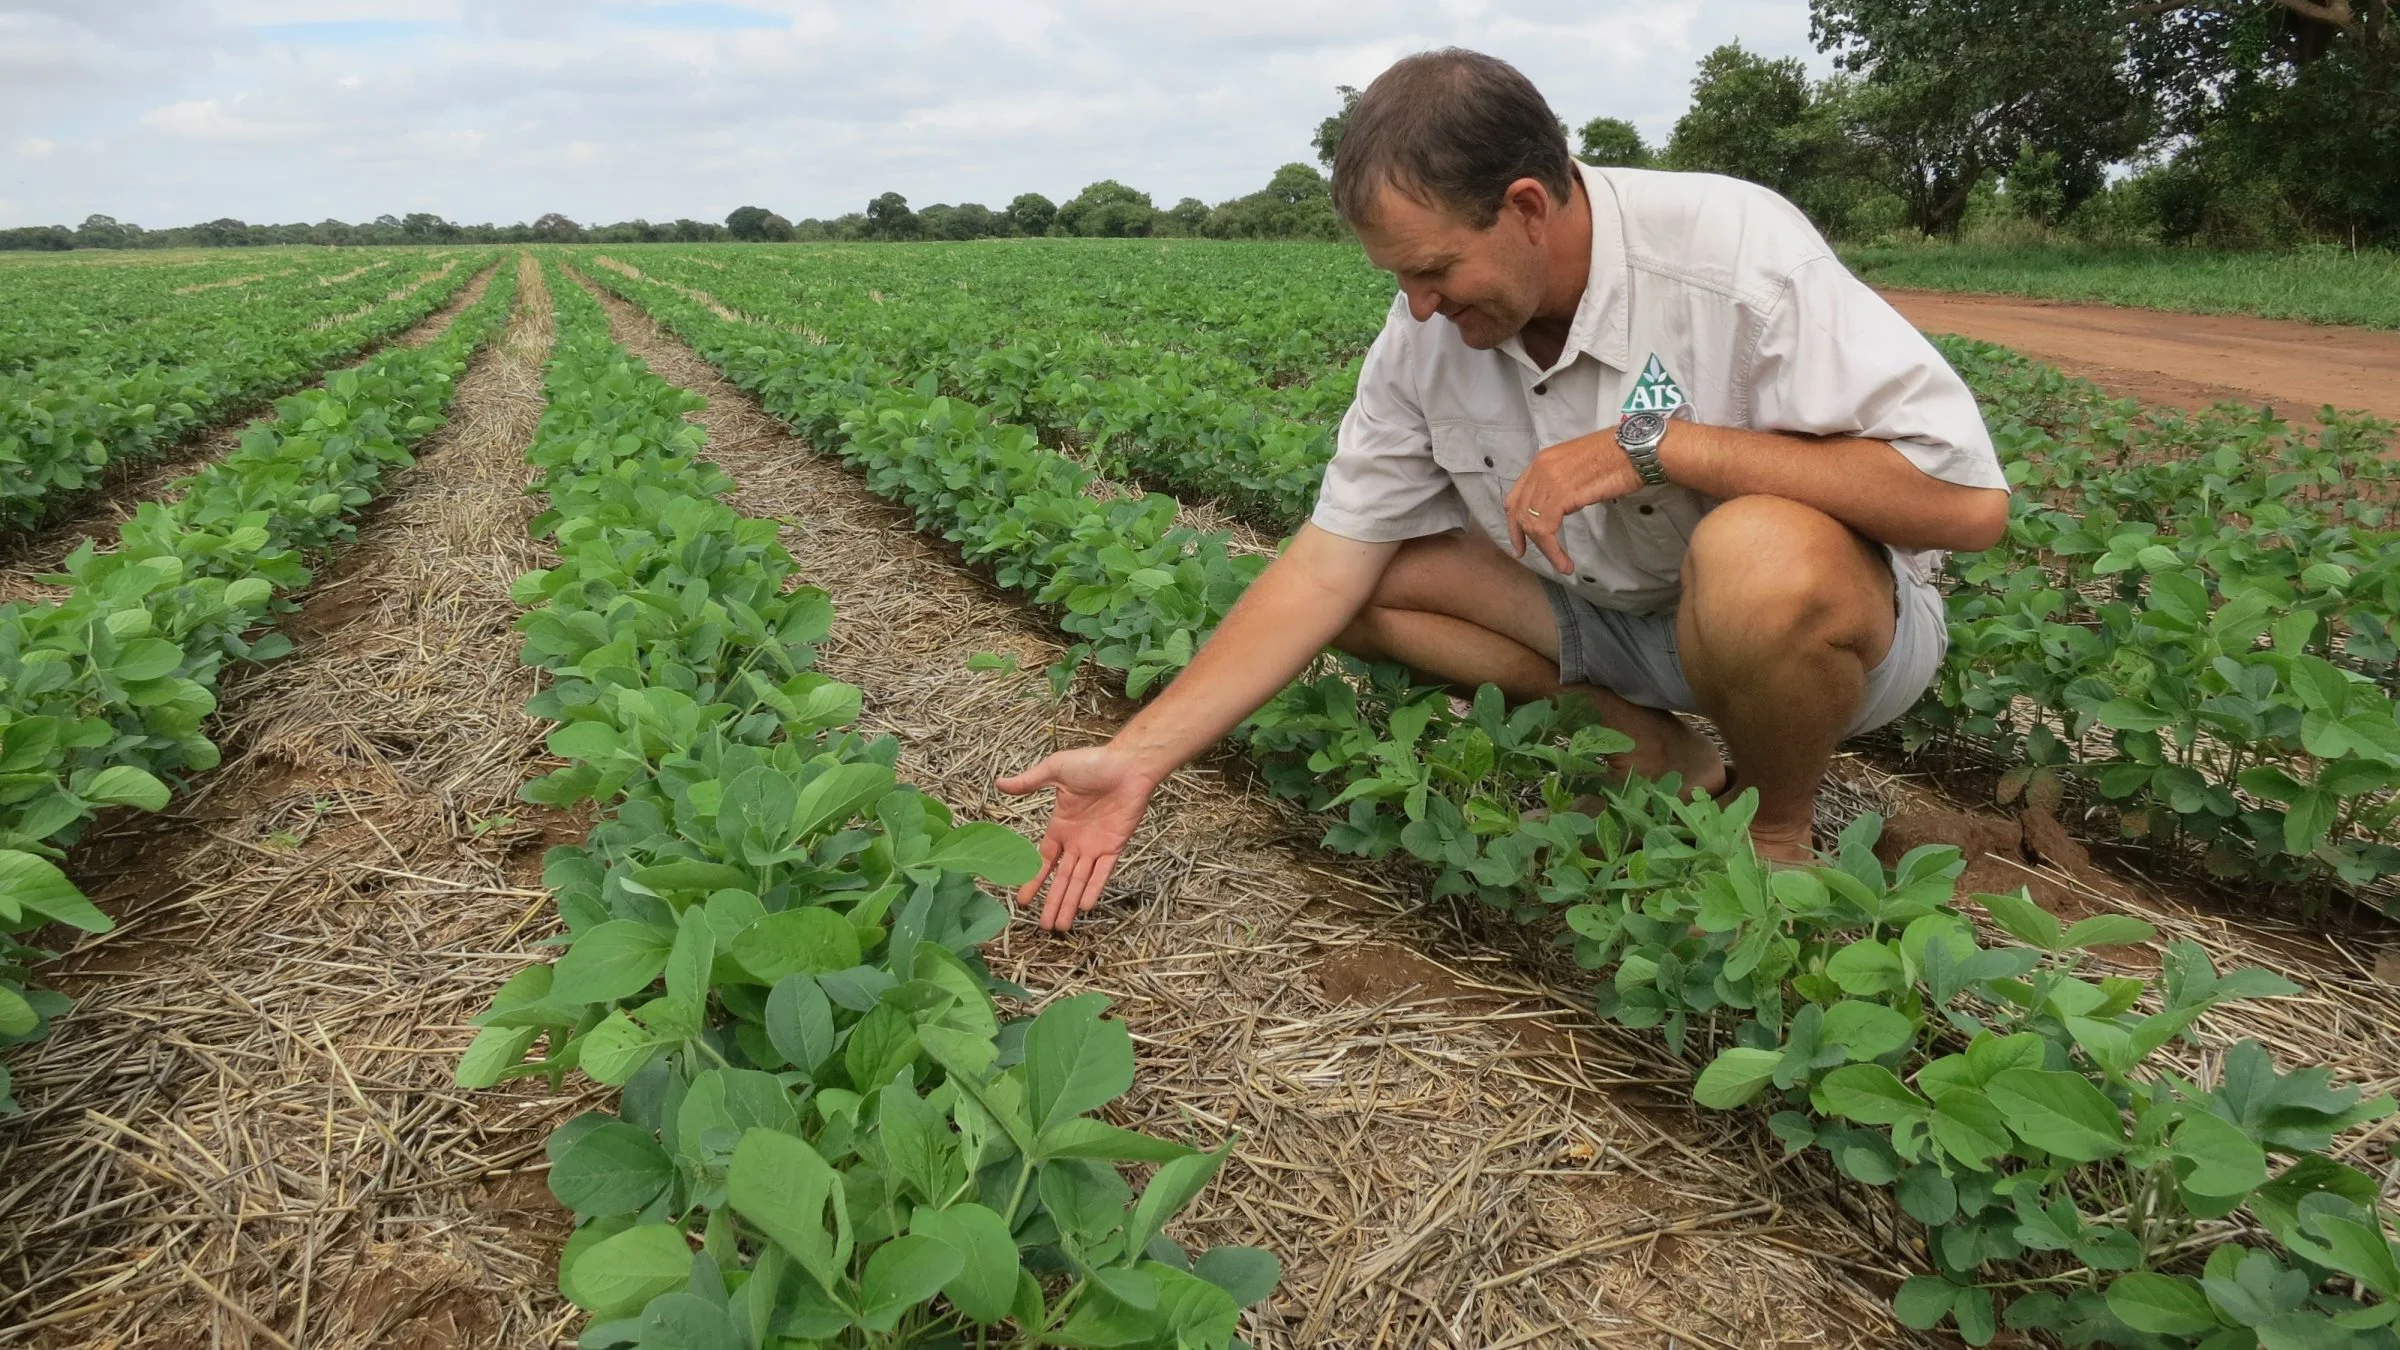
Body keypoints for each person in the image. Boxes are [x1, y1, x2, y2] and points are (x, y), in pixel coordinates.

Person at [997, 48, 2010, 932]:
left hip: (1811, 630)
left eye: (1436, 270)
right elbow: (1321, 572)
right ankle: (1660, 754)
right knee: (1370, 581)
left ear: (1528, 205)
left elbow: (1966, 507)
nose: (1420, 308)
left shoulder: (1733, 252)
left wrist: (1666, 448)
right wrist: (1138, 756)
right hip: (1616, 618)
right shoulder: (1422, 340)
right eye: (1399, 278)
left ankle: (1778, 832)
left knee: (1755, 557)